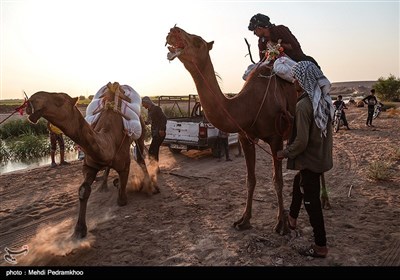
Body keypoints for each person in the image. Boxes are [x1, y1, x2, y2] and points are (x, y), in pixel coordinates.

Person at [277, 61, 333, 258]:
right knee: (297, 183)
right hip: (320, 157)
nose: (294, 81)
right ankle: (291, 218)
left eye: (297, 77)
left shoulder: (303, 105)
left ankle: (320, 246)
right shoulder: (323, 101)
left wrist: (285, 152)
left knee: (312, 202)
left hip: (310, 159)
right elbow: (314, 127)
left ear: (303, 80)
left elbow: (301, 142)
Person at [248, 13, 320, 68]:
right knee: (250, 69)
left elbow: (295, 47)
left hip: (295, 61)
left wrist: (277, 45)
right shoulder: (261, 41)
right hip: (272, 66)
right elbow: (262, 59)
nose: (254, 33)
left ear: (260, 28)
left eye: (255, 30)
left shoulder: (280, 30)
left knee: (279, 67)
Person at [142, 96, 167, 165]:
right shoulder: (149, 110)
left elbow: (164, 118)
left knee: (152, 150)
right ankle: (155, 167)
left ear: (147, 102)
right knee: (154, 150)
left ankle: (154, 166)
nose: (143, 106)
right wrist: (143, 122)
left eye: (143, 104)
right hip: (155, 133)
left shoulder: (156, 109)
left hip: (159, 132)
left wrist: (162, 129)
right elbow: (149, 121)